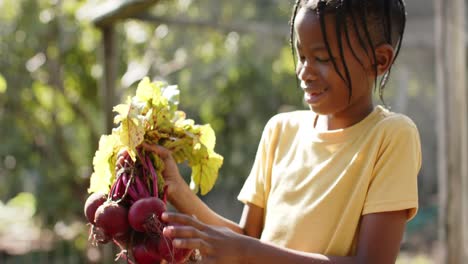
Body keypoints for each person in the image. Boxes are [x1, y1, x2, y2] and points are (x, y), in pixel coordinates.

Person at [145, 0, 421, 263]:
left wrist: (244, 251)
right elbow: (249, 240)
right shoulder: (280, 131)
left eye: (322, 58)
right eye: (301, 56)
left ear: (380, 60)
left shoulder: (391, 136)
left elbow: (372, 262)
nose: (304, 71)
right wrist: (178, 191)